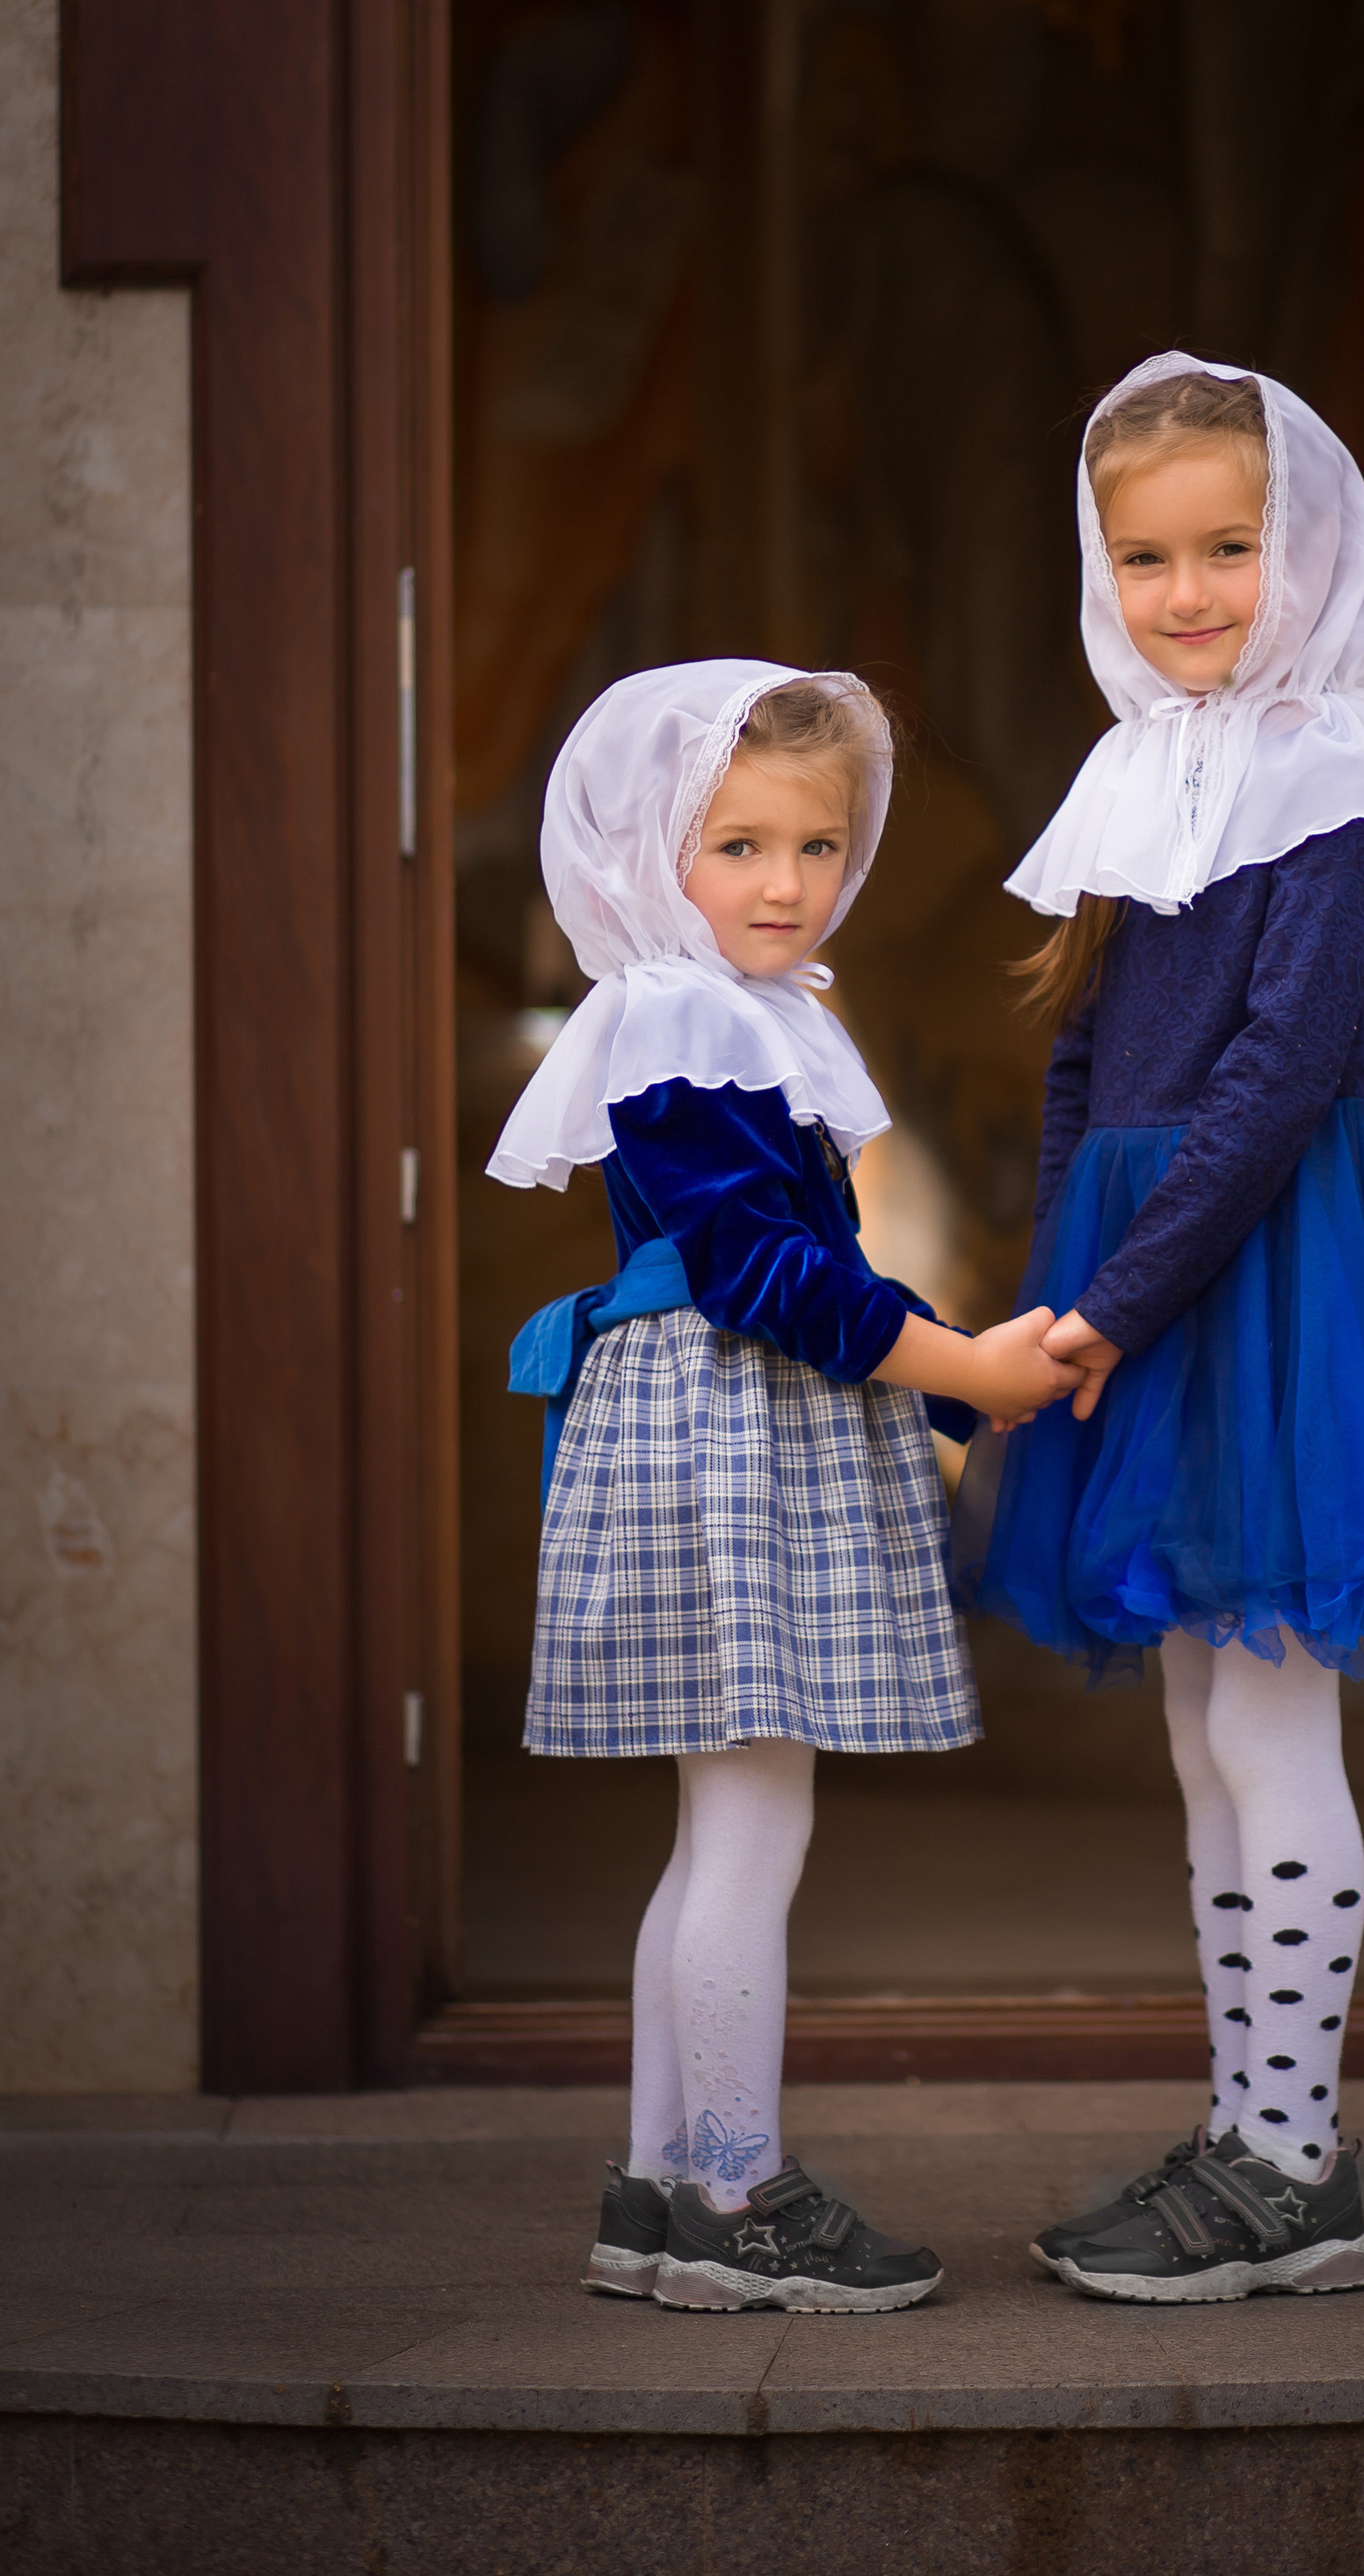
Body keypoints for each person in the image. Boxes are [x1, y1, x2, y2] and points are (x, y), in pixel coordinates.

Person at [954, 354, 1364, 2303]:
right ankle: (1246, 2129)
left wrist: (1114, 1307)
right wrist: (1065, 1282)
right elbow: (1083, 1050)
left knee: (1270, 1696)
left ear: (1300, 549)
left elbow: (1285, 1071)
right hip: (1139, 1273)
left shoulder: (1339, 764)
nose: (1188, 591)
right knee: (1197, 1718)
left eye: (1226, 548)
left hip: (1272, 1261)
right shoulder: (1137, 759)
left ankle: (1294, 2167)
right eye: (1146, 556)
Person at [489, 660, 1071, 2314]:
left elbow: (800, 1263)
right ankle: (735, 2194)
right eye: (736, 844)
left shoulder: (747, 1015)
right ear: (647, 852)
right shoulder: (682, 1015)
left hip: (737, 1420)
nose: (784, 882)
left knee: (719, 1834)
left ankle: (659, 2190)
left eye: (818, 846)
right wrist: (964, 1371)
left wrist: (963, 1358)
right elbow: (764, 1277)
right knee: (753, 1825)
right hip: (723, 1423)